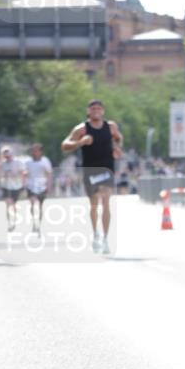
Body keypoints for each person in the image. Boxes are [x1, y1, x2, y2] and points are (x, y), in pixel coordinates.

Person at [61, 99, 122, 254]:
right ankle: (96, 234)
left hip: (107, 168)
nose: (96, 110)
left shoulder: (111, 127)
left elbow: (118, 137)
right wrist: (80, 142)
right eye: (93, 108)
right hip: (90, 169)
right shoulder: (82, 129)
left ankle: (106, 239)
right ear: (88, 111)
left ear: (103, 111)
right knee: (94, 203)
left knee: (106, 201)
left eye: (99, 108)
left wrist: (117, 147)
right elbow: (64, 145)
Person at [25, 143, 53, 233]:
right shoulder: (28, 162)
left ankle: (39, 224)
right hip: (31, 186)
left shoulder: (45, 161)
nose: (34, 152)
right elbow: (25, 173)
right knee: (33, 204)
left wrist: (49, 185)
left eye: (36, 150)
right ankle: (34, 222)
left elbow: (49, 174)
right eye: (33, 150)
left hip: (42, 186)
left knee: (40, 206)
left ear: (40, 151)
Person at [0, 146, 27, 231]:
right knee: (8, 204)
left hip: (16, 186)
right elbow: (0, 175)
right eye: (5, 155)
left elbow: (23, 173)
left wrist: (22, 183)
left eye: (8, 155)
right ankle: (10, 223)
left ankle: (13, 220)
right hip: (6, 186)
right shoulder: (3, 164)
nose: (7, 157)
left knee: (13, 205)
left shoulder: (18, 163)